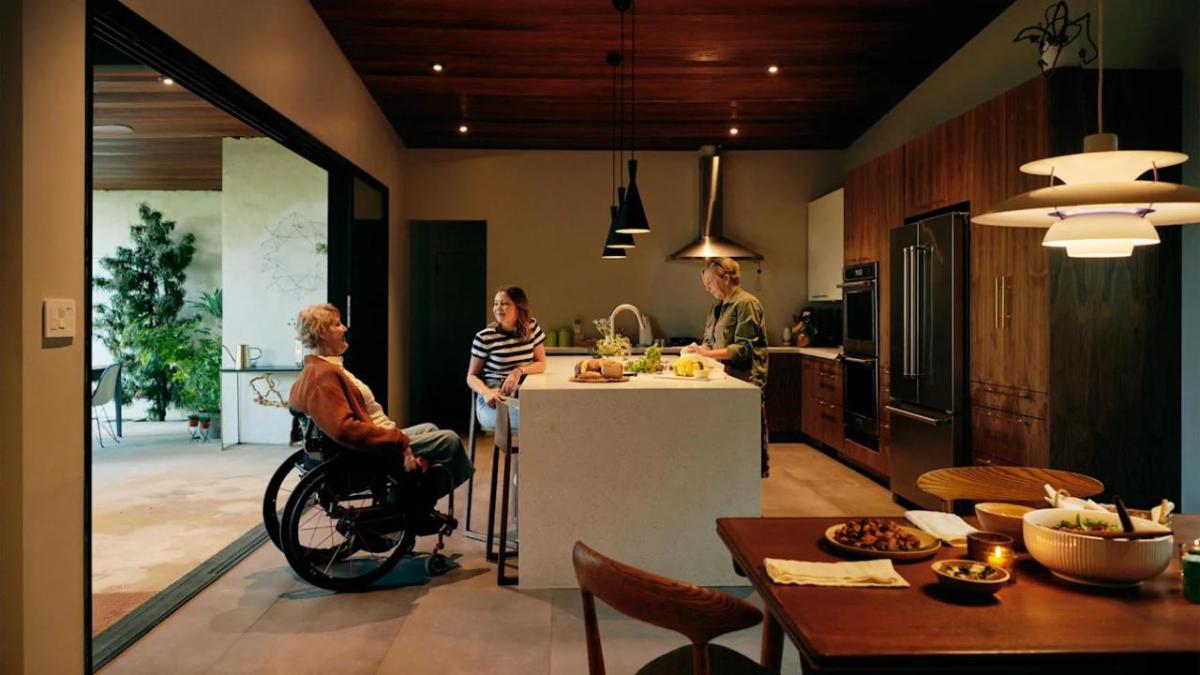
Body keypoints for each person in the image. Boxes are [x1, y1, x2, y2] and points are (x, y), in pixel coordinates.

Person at [288, 303, 473, 505]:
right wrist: (398, 441)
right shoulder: (323, 376)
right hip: (367, 453)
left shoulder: (321, 367)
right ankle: (406, 508)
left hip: (374, 436)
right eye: (337, 324)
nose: (345, 328)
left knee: (430, 429)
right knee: (450, 442)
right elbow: (344, 430)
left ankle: (410, 488)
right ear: (322, 333)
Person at [683, 257, 771, 476]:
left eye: (710, 283)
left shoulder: (746, 303)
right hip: (724, 378)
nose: (708, 289)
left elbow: (744, 348)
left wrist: (708, 353)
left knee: (745, 440)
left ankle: (747, 488)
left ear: (725, 278)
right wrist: (698, 349)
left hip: (745, 380)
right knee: (728, 439)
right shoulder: (717, 308)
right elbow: (709, 342)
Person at [466, 286, 547, 430]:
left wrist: (518, 371)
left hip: (523, 392)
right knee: (535, 420)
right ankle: (520, 452)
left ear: (519, 306)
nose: (498, 308)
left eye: (504, 303)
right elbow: (471, 376)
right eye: (496, 303)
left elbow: (541, 363)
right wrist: (486, 393)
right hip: (494, 397)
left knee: (549, 414)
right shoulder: (485, 337)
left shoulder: (532, 326)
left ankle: (521, 452)